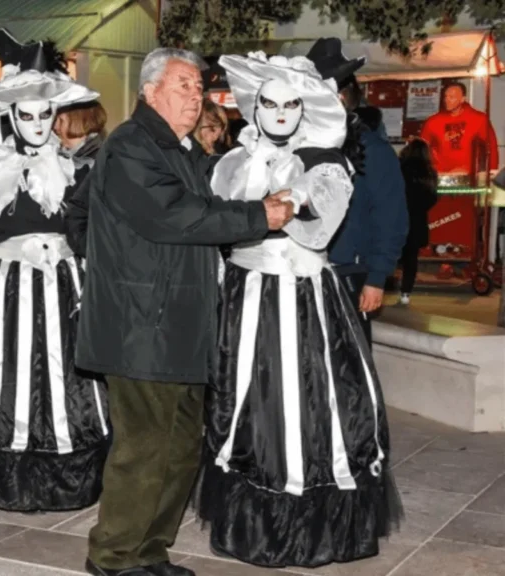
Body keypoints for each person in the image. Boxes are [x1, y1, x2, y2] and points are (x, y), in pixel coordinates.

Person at [76, 47, 293, 576]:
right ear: (150, 91)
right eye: (183, 86)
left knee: (178, 448)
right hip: (140, 324)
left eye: (199, 89)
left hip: (178, 322)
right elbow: (177, 216)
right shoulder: (131, 147)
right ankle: (114, 556)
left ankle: (149, 550)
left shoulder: (180, 149)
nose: (195, 97)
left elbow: (212, 202)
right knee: (145, 446)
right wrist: (258, 215)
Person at [195, 51, 404, 569]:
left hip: (308, 295)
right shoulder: (233, 163)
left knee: (319, 401)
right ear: (255, 106)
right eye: (270, 104)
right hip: (249, 297)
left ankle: (315, 522)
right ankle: (256, 521)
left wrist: (278, 207)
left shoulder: (327, 164)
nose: (282, 114)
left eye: (292, 104)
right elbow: (220, 223)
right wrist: (267, 204)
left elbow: (317, 230)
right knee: (249, 399)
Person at [0, 29, 110, 513]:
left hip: (64, 282)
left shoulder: (76, 169)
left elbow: (89, 229)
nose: (38, 124)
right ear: (11, 116)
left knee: (66, 373)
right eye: (26, 115)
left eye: (46, 114)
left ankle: (67, 472)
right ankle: (14, 470)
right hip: (10, 286)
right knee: (12, 369)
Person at [305, 38, 408, 345]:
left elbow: (392, 217)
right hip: (303, 271)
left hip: (349, 271)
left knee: (349, 366)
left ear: (342, 96)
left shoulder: (372, 150)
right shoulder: (299, 146)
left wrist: (377, 277)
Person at [419, 82, 499, 175]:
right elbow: (421, 149)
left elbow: (491, 147)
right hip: (441, 175)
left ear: (462, 99)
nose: (447, 100)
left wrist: (491, 173)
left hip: (470, 176)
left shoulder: (479, 119)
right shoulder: (433, 121)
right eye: (445, 96)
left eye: (452, 97)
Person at [59, 101, 106, 257]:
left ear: (77, 119)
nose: (54, 127)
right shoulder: (69, 156)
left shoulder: (97, 160)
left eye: (61, 120)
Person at [398, 139, 439, 305]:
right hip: (417, 220)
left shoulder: (399, 168)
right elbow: (432, 198)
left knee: (392, 252)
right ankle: (406, 292)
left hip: (398, 217)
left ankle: (380, 284)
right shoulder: (429, 172)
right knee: (411, 258)